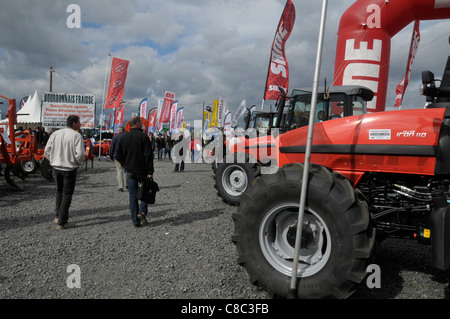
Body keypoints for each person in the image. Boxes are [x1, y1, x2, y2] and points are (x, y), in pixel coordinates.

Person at [44, 115, 86, 230]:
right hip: (69, 169)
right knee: (67, 194)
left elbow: (47, 150)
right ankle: (62, 222)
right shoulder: (76, 135)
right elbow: (81, 154)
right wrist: (78, 163)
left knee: (59, 192)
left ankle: (58, 216)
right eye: (79, 122)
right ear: (74, 123)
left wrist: (53, 160)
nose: (80, 124)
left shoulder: (55, 134)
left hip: (56, 168)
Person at [116, 117, 154, 228]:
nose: (142, 124)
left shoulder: (124, 137)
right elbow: (148, 156)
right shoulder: (144, 137)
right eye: (141, 123)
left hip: (130, 171)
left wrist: (126, 165)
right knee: (144, 193)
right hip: (142, 170)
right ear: (137, 123)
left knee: (132, 196)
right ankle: (141, 212)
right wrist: (150, 171)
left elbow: (118, 156)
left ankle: (135, 221)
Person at [109, 126, 127, 192]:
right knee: (126, 171)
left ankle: (121, 187)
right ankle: (127, 184)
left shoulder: (115, 137)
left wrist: (111, 156)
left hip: (117, 156)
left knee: (119, 171)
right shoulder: (127, 136)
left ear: (118, 130)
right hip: (126, 156)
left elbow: (112, 148)